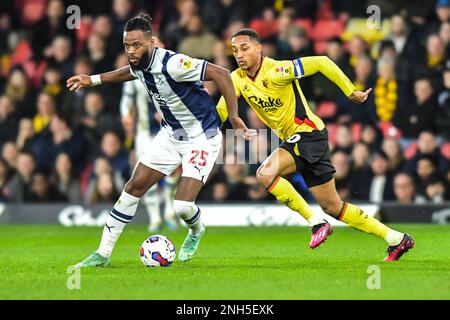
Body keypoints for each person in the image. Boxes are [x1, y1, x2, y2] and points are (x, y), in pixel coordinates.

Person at [67, 14, 254, 267]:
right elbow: (129, 72)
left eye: (136, 45)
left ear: (151, 42)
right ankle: (103, 253)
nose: (131, 51)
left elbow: (221, 73)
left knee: (183, 207)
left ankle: (196, 231)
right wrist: (93, 80)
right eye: (127, 46)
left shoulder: (174, 63)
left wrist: (233, 116)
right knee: (133, 187)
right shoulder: (139, 63)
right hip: (170, 135)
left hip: (201, 138)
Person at [217, 29, 414, 261]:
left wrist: (350, 90)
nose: (239, 54)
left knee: (264, 173)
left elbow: (322, 62)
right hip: (301, 140)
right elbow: (221, 109)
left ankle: (316, 222)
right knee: (333, 206)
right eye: (235, 50)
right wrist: (202, 134)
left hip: (308, 133)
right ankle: (396, 239)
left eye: (245, 48)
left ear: (259, 48)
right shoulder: (236, 79)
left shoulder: (279, 69)